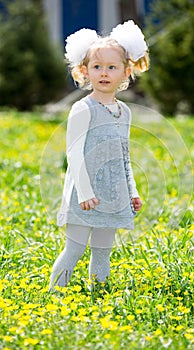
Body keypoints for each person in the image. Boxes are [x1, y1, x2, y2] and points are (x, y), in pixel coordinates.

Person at [49, 20, 149, 291]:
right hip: (84, 195)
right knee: (75, 249)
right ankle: (54, 296)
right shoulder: (84, 109)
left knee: (103, 250)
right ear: (85, 71)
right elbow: (75, 153)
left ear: (126, 72)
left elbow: (124, 155)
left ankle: (99, 296)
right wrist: (83, 192)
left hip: (112, 193)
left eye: (111, 67)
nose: (104, 73)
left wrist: (132, 190)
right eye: (97, 67)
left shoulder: (124, 112)